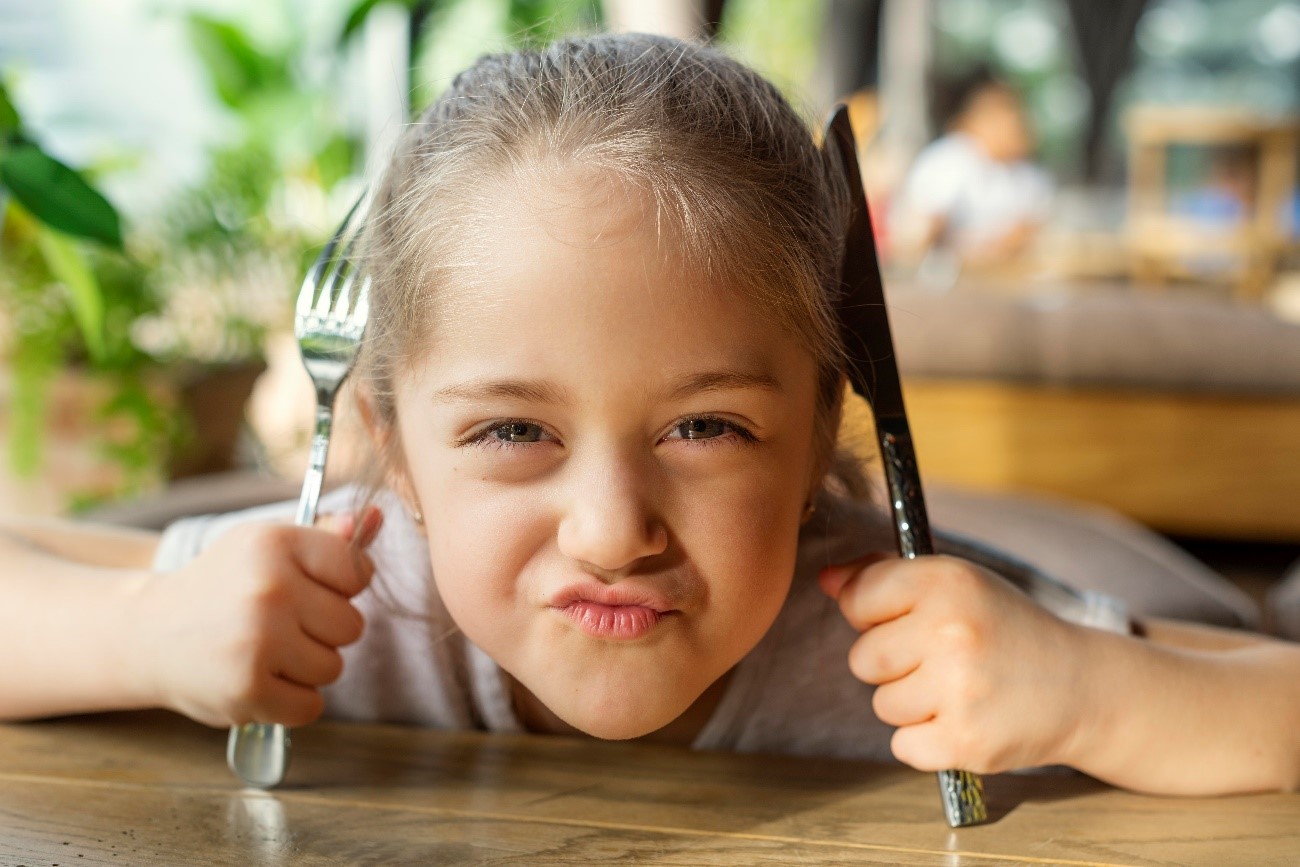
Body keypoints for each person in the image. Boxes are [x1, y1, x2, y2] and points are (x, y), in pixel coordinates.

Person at [1, 34, 1297, 797]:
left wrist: (1098, 696)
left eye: (708, 427)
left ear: (817, 425)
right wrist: (135, 627)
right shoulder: (346, 586)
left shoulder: (909, 632)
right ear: (390, 438)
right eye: (514, 431)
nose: (614, 530)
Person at [890, 71, 1053, 282]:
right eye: (1006, 115)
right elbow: (917, 238)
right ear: (976, 120)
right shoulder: (947, 161)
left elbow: (1033, 234)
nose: (1019, 124)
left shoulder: (1029, 176)